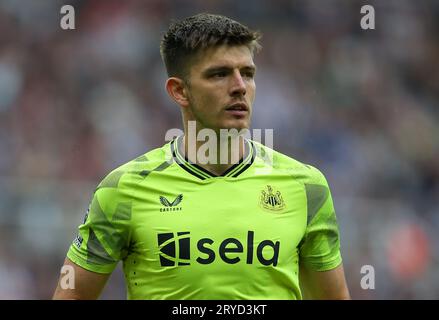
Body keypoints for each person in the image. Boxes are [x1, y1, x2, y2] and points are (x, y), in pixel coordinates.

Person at [53, 13, 350, 300]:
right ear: (179, 91)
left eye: (247, 73)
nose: (239, 87)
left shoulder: (306, 186)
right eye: (219, 74)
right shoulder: (123, 190)